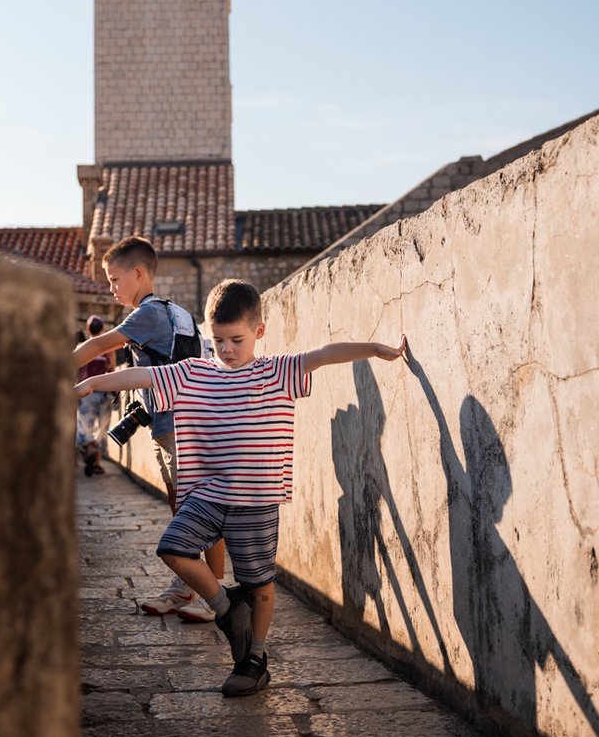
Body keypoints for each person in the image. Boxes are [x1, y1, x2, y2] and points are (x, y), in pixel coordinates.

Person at [76, 277, 407, 697]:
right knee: (173, 548)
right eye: (217, 341)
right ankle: (227, 608)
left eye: (236, 339)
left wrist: (375, 349)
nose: (227, 349)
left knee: (261, 588)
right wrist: (89, 384)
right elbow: (142, 374)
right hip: (208, 495)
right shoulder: (192, 373)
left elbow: (323, 355)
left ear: (259, 332)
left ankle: (254, 660)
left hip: (256, 501)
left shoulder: (276, 372)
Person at [71, 234, 225, 621]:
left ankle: (217, 597)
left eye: (114, 278)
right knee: (182, 509)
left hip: (179, 427)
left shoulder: (148, 314)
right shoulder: (177, 313)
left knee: (200, 511)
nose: (110, 288)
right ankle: (187, 587)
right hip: (171, 423)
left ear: (138, 274)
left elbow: (98, 346)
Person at [75, 315, 113, 475]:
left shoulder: (82, 346)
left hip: (86, 393)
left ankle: (89, 453)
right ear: (102, 329)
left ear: (88, 329)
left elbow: (76, 370)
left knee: (86, 428)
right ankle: (96, 462)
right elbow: (111, 367)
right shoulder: (107, 348)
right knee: (101, 428)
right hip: (103, 392)